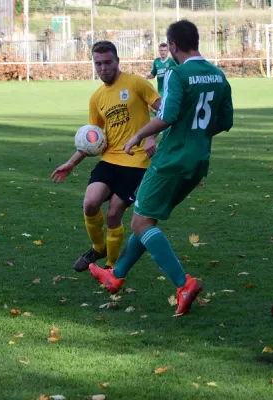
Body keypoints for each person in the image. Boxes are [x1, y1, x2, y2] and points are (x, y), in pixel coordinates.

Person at [88, 20, 234, 316]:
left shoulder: (178, 74)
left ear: (174, 46)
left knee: (141, 223)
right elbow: (225, 122)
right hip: (198, 162)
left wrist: (140, 135)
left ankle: (184, 284)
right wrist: (195, 135)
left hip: (170, 160)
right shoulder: (218, 76)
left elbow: (165, 116)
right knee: (146, 218)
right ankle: (115, 276)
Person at [51, 40, 161, 273]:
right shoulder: (97, 98)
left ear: (117, 61)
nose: (103, 68)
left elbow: (164, 110)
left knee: (113, 214)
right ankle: (98, 248)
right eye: (98, 63)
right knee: (89, 203)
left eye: (108, 62)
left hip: (137, 161)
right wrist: (71, 163)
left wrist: (151, 136)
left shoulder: (136, 83)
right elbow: (92, 139)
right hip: (110, 159)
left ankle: (111, 268)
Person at [145, 43, 177, 135]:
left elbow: (176, 73)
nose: (163, 52)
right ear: (159, 51)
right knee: (161, 109)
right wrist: (146, 78)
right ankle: (164, 126)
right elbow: (153, 74)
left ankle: (164, 127)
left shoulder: (171, 62)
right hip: (159, 90)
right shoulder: (156, 62)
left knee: (164, 108)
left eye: (165, 50)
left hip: (169, 89)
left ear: (168, 51)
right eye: (161, 50)